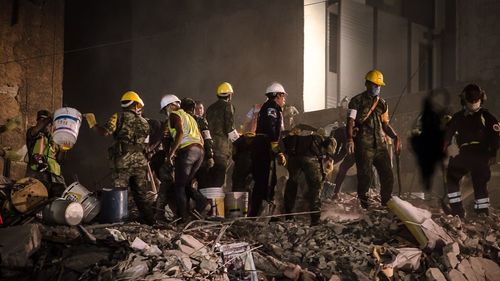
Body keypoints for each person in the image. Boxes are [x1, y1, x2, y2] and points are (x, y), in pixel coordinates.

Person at [84, 91, 154, 225]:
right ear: (136, 105)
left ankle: (118, 221)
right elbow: (146, 143)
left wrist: (93, 123)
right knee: (140, 194)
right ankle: (150, 221)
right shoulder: (145, 122)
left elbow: (104, 132)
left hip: (123, 161)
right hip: (140, 162)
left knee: (120, 191)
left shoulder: (118, 117)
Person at [346, 70, 401, 208]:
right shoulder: (356, 101)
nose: (377, 88)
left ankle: (386, 203)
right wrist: (350, 140)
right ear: (367, 84)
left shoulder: (382, 103)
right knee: (365, 176)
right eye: (375, 85)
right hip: (364, 145)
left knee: (388, 175)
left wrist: (395, 137)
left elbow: (385, 125)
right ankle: (364, 206)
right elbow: (350, 121)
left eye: (379, 85)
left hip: (380, 146)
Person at [443, 84, 499, 217]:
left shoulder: (487, 116)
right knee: (452, 176)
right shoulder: (458, 117)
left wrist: (493, 153)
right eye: (471, 99)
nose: (474, 102)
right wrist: (444, 146)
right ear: (464, 100)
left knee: (479, 183)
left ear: (481, 99)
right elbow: (448, 134)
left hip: (481, 153)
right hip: (464, 153)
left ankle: (482, 213)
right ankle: (457, 211)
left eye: (476, 99)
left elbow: (496, 136)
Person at [160, 94, 208, 222]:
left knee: (179, 186)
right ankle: (202, 202)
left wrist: (171, 153)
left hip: (187, 151)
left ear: (171, 106)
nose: (166, 112)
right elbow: (201, 138)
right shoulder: (190, 117)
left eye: (165, 109)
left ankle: (184, 218)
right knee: (186, 183)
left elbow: (180, 133)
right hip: (199, 151)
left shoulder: (174, 115)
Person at [282, 127, 336, 225]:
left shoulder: (293, 137)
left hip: (294, 159)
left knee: (292, 183)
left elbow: (283, 146)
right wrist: (330, 159)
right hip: (311, 159)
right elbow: (331, 143)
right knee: (315, 187)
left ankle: (288, 215)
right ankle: (315, 219)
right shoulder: (322, 137)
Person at [249, 82, 287, 216]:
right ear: (277, 95)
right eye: (283, 96)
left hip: (261, 144)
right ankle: (256, 214)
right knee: (263, 181)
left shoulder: (267, 107)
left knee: (264, 180)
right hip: (263, 145)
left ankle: (258, 212)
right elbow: (271, 127)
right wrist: (275, 145)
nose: (284, 100)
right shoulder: (272, 108)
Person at [25, 110, 67, 197]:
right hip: (38, 177)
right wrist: (51, 117)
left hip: (56, 179)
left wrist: (64, 149)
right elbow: (38, 128)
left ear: (51, 125)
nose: (43, 124)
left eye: (47, 122)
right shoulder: (33, 134)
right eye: (41, 121)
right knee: (37, 204)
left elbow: (59, 160)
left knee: (60, 203)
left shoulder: (56, 141)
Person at [205, 82, 239, 188]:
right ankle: (215, 203)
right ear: (229, 95)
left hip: (209, 149)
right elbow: (230, 129)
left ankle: (208, 202)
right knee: (219, 181)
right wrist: (239, 142)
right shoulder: (228, 106)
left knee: (210, 179)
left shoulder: (210, 108)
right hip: (221, 149)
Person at [181, 98, 215, 188]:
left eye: (201, 108)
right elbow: (207, 138)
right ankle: (203, 201)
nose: (199, 110)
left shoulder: (179, 120)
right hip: (199, 156)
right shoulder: (200, 121)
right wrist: (210, 155)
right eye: (197, 108)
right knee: (202, 182)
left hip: (186, 156)